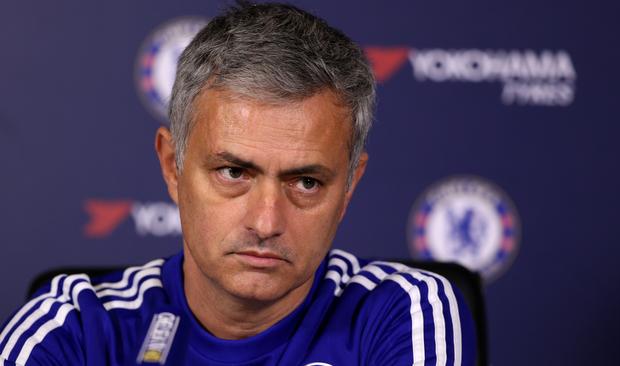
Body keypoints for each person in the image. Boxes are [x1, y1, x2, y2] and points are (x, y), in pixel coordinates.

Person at [0, 2, 476, 365]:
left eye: (306, 182)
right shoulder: (76, 327)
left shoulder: (403, 314)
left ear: (349, 186)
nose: (267, 221)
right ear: (172, 166)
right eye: (234, 172)